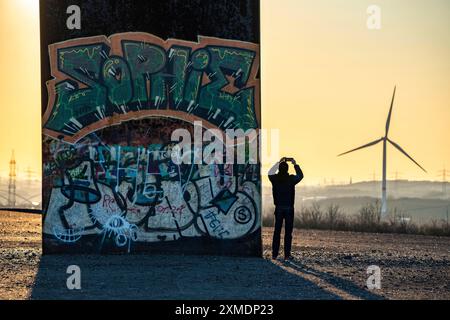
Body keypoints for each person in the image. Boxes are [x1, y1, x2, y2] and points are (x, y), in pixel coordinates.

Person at [268, 157, 304, 260]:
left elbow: (270, 173)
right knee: (288, 233)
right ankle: (287, 255)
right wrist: (295, 164)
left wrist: (278, 162)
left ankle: (274, 254)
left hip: (278, 207)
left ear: (279, 169)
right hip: (289, 208)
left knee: (277, 232)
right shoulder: (291, 179)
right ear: (287, 169)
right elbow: (300, 176)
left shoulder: (274, 179)